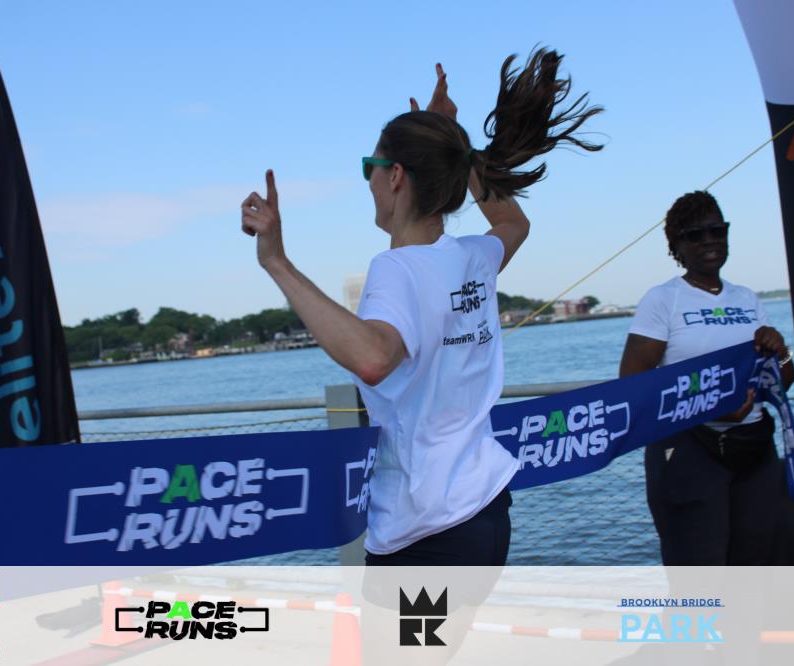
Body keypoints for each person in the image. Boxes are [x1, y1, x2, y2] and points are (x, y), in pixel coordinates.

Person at [241, 50, 602, 565]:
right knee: (444, 626)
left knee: (403, 627)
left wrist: (276, 261)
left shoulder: (397, 269)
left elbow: (374, 357)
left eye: (369, 167)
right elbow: (513, 223)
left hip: (426, 531)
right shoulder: (472, 257)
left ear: (394, 177)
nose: (367, 180)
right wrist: (455, 145)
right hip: (486, 509)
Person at [618, 190, 794, 565]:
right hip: (689, 449)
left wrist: (780, 349)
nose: (709, 240)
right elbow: (633, 385)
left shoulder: (747, 299)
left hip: (753, 447)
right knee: (698, 570)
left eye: (718, 230)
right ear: (676, 246)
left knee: (756, 562)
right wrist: (708, 408)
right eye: (695, 235)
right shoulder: (663, 300)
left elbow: (783, 380)